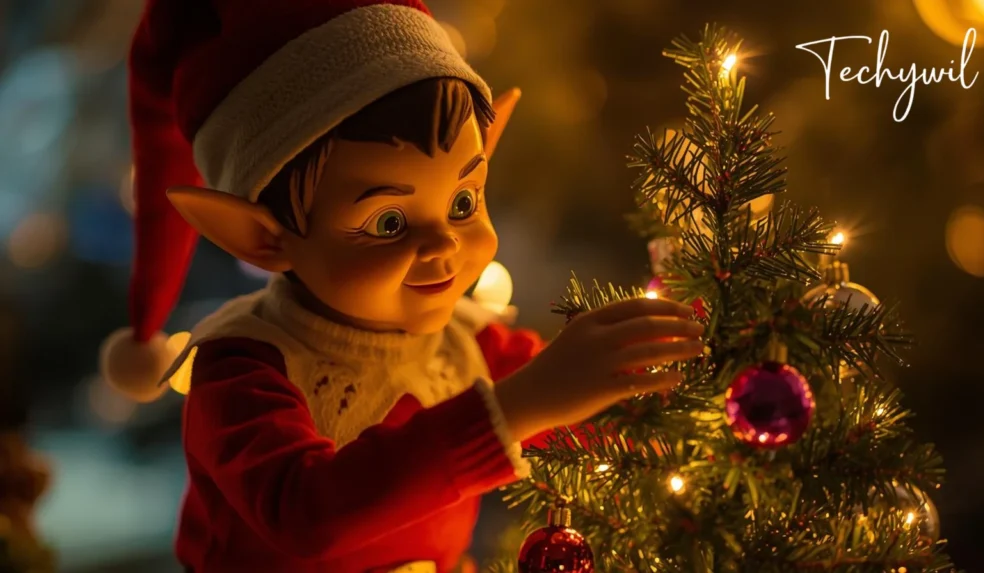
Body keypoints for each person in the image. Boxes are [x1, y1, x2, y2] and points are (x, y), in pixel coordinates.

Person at [98, 1, 706, 571]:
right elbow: (306, 512)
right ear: (262, 237)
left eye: (464, 200)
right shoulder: (243, 371)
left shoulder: (472, 346)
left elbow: (604, 427)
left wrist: (687, 375)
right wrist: (521, 406)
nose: (443, 245)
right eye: (388, 222)